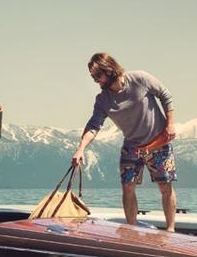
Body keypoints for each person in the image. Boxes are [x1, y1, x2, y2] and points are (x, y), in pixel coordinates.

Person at [71, 53, 178, 230]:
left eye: (98, 75)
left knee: (165, 186)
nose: (95, 80)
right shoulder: (102, 100)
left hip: (158, 142)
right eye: (92, 77)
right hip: (132, 146)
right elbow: (93, 126)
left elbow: (165, 95)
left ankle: (171, 229)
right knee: (128, 187)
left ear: (110, 69)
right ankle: (132, 229)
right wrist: (80, 148)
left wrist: (170, 124)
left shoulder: (140, 79)